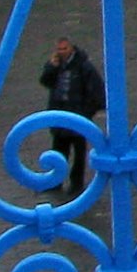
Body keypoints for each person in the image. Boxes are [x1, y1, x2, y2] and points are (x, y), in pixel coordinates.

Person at [37, 37, 105, 196]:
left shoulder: (84, 67)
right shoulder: (56, 65)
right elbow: (45, 81)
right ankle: (55, 181)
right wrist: (51, 68)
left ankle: (76, 183)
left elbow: (96, 91)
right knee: (59, 151)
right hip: (60, 116)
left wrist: (87, 111)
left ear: (72, 49)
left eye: (64, 49)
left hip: (77, 116)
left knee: (79, 153)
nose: (61, 52)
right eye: (59, 49)